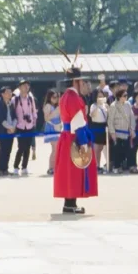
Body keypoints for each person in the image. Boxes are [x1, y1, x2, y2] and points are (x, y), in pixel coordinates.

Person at [53, 60, 99, 213]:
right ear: (75, 81)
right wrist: (83, 141)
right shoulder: (72, 97)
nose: (83, 83)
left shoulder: (67, 96)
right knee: (73, 170)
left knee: (70, 170)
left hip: (68, 135)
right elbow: (78, 120)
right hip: (74, 136)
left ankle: (70, 203)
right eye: (81, 81)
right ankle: (70, 204)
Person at [106, 82, 134, 174]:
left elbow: (131, 117)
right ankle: (116, 167)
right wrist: (112, 133)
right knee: (117, 151)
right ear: (119, 96)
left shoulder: (128, 105)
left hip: (126, 132)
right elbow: (110, 121)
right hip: (117, 132)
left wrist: (132, 129)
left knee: (129, 150)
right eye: (124, 95)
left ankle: (131, 166)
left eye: (126, 95)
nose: (126, 97)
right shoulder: (113, 106)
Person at [12, 79, 38, 176]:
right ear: (19, 87)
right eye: (23, 85)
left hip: (30, 126)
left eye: (27, 85)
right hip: (20, 126)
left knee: (27, 148)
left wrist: (34, 121)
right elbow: (12, 112)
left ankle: (24, 167)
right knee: (21, 147)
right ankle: (15, 167)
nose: (26, 87)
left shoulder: (30, 99)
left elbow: (34, 111)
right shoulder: (15, 99)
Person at [0, 85, 16, 176]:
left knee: (8, 150)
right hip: (3, 130)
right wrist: (9, 127)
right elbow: (0, 119)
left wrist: (13, 127)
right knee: (3, 150)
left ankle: (5, 168)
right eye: (8, 92)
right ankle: (0, 169)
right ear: (2, 94)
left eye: (10, 92)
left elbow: (14, 117)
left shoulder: (11, 104)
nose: (10, 94)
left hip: (11, 130)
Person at [43, 89, 62, 176]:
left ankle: (55, 167)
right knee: (55, 149)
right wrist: (56, 111)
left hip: (58, 128)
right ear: (49, 97)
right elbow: (46, 118)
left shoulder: (57, 106)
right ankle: (51, 168)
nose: (56, 99)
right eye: (54, 97)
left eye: (57, 97)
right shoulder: (48, 106)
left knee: (57, 149)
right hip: (51, 128)